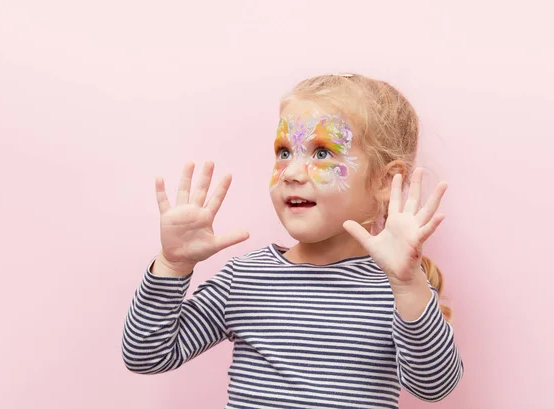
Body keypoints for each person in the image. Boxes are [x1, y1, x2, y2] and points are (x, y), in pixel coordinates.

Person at [122, 73, 464, 409]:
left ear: (384, 181)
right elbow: (146, 354)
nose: (291, 172)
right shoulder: (245, 278)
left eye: (321, 153)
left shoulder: (398, 288)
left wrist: (409, 286)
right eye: (284, 152)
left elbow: (434, 387)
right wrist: (172, 265)